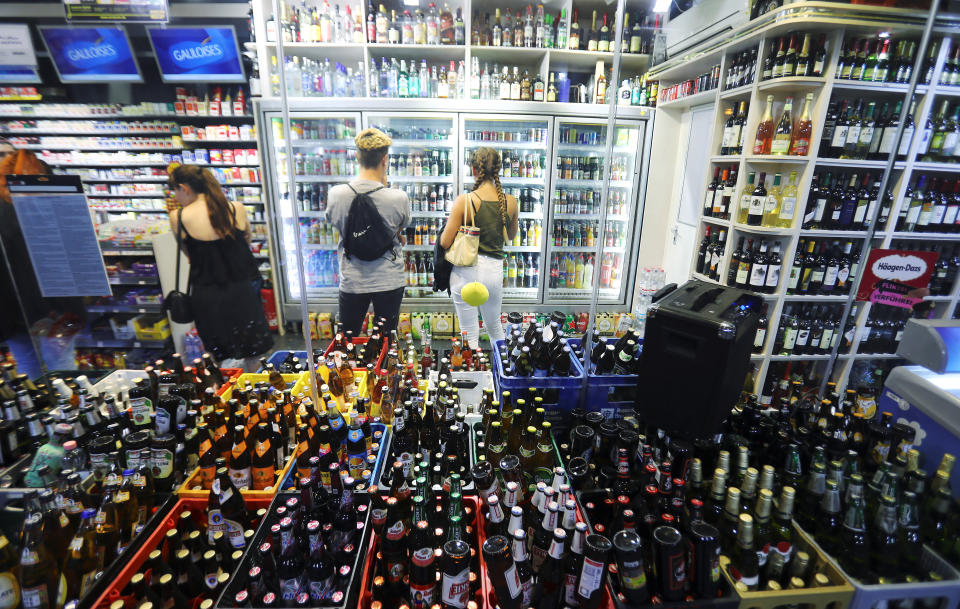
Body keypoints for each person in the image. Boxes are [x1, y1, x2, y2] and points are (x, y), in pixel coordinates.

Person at [168, 164, 272, 369]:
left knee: (219, 354)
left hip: (207, 295)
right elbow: (246, 243)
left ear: (185, 188)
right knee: (253, 351)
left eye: (175, 191)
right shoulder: (236, 209)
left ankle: (228, 390)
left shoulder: (178, 218)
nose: (176, 197)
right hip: (241, 290)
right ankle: (255, 390)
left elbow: (188, 255)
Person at [326, 127, 410, 335]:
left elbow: (334, 222)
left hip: (352, 279)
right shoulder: (398, 197)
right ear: (385, 160)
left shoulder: (336, 194)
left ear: (356, 157)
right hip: (389, 279)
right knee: (385, 341)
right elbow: (401, 225)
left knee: (347, 340)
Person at [440, 147, 518, 349]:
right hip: (493, 272)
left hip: (466, 273)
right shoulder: (510, 202)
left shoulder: (465, 201)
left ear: (474, 170)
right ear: (498, 170)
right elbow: (510, 236)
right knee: (494, 326)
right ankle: (502, 373)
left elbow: (445, 243)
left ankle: (473, 375)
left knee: (469, 333)